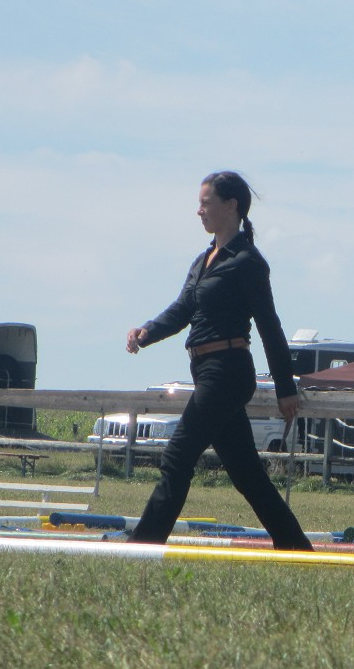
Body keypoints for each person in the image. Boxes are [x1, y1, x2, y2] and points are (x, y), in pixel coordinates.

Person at [124, 171, 312, 551]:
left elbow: (270, 327)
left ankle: (143, 546)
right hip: (206, 370)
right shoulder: (203, 259)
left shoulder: (248, 262)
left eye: (206, 203)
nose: (199, 211)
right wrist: (146, 332)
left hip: (228, 372)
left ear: (232, 206)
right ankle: (296, 547)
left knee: (177, 458)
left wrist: (285, 389)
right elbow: (182, 310)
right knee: (247, 475)